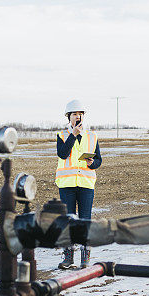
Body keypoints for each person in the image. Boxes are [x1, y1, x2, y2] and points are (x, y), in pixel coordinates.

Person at [55, 99, 102, 269]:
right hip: (67, 184)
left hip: (86, 184)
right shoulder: (62, 135)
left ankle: (85, 258)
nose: (78, 117)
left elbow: (99, 160)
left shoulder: (91, 136)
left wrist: (92, 163)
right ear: (69, 117)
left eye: (80, 114)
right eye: (75, 114)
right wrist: (73, 134)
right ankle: (68, 258)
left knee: (85, 220)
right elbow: (62, 154)